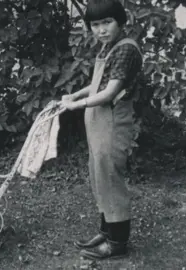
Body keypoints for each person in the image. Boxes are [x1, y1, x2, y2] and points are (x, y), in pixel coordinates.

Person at [58, 0, 143, 260]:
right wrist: (73, 95)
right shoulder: (109, 47)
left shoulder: (126, 50)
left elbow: (109, 92)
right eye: (95, 25)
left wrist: (77, 105)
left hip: (113, 121)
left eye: (107, 23)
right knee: (99, 177)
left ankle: (118, 243)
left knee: (110, 179)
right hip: (97, 121)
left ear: (120, 21)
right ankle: (106, 232)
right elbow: (96, 85)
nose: (102, 30)